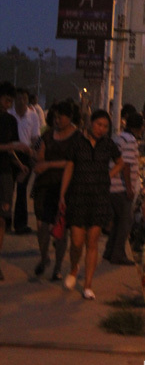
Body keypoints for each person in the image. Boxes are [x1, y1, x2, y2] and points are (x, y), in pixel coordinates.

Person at [59, 109, 124, 300]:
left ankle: (88, 284)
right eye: (98, 124)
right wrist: (62, 194)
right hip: (78, 196)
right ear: (91, 123)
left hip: (99, 197)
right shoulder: (77, 142)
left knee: (92, 241)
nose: (101, 129)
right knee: (76, 241)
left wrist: (108, 176)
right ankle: (74, 268)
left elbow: (120, 162)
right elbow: (69, 167)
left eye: (105, 126)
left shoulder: (108, 145)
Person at [32, 100, 78, 280]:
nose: (57, 120)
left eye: (61, 117)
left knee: (61, 228)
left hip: (64, 186)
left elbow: (72, 163)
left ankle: (58, 266)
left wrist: (49, 164)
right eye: (55, 117)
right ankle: (44, 257)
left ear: (70, 117)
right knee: (42, 226)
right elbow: (40, 154)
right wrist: (38, 159)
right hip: (44, 184)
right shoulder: (48, 135)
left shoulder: (77, 137)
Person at [0, 81, 31, 280]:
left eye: (10, 100)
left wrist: (20, 164)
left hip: (5, 173)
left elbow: (10, 148)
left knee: (2, 218)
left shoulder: (10, 120)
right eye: (6, 99)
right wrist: (13, 146)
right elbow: (9, 146)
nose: (8, 103)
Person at [104, 112, 143, 266]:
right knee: (126, 221)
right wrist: (129, 188)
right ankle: (118, 254)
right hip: (119, 187)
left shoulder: (119, 137)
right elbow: (125, 165)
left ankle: (110, 251)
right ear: (139, 128)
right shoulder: (130, 140)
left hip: (113, 186)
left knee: (118, 221)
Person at [9, 87, 40, 234]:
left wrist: (33, 154)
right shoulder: (9, 114)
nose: (21, 101)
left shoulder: (33, 116)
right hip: (9, 154)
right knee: (7, 189)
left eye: (24, 98)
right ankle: (5, 221)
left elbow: (35, 138)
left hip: (25, 154)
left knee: (22, 190)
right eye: (19, 98)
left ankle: (20, 224)